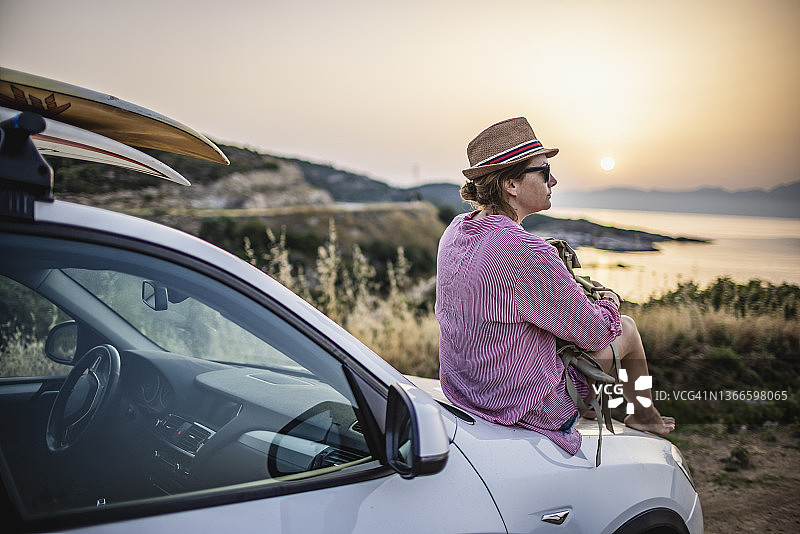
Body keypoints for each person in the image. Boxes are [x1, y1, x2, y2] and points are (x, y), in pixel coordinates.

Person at [435, 117, 674, 458]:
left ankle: (593, 407)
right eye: (544, 171)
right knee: (629, 331)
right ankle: (643, 415)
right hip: (518, 403)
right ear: (511, 185)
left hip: (466, 387)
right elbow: (596, 333)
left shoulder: (457, 230)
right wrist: (609, 300)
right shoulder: (526, 252)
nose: (554, 180)